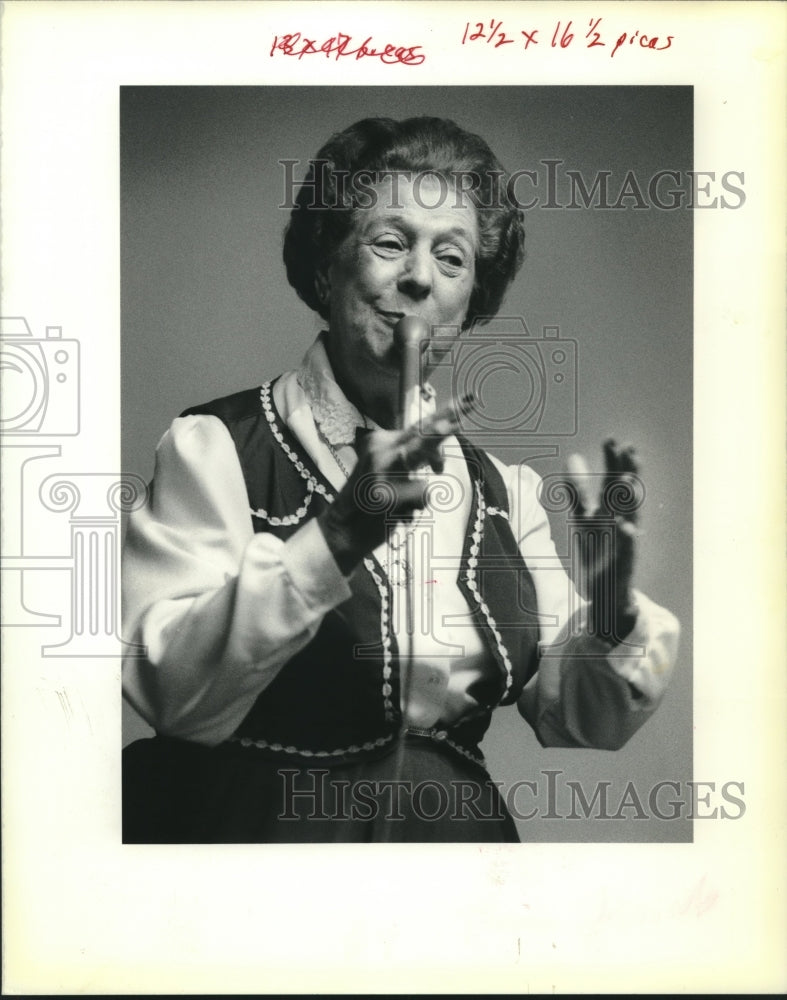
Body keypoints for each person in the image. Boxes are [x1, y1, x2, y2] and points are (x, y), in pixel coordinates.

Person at [121, 116, 680, 843]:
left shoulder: (502, 492)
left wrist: (607, 604)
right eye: (390, 243)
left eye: (451, 260)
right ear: (326, 267)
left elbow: (583, 717)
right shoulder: (220, 447)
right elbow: (173, 695)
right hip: (261, 840)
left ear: (470, 304)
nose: (418, 277)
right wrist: (338, 537)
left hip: (453, 852)